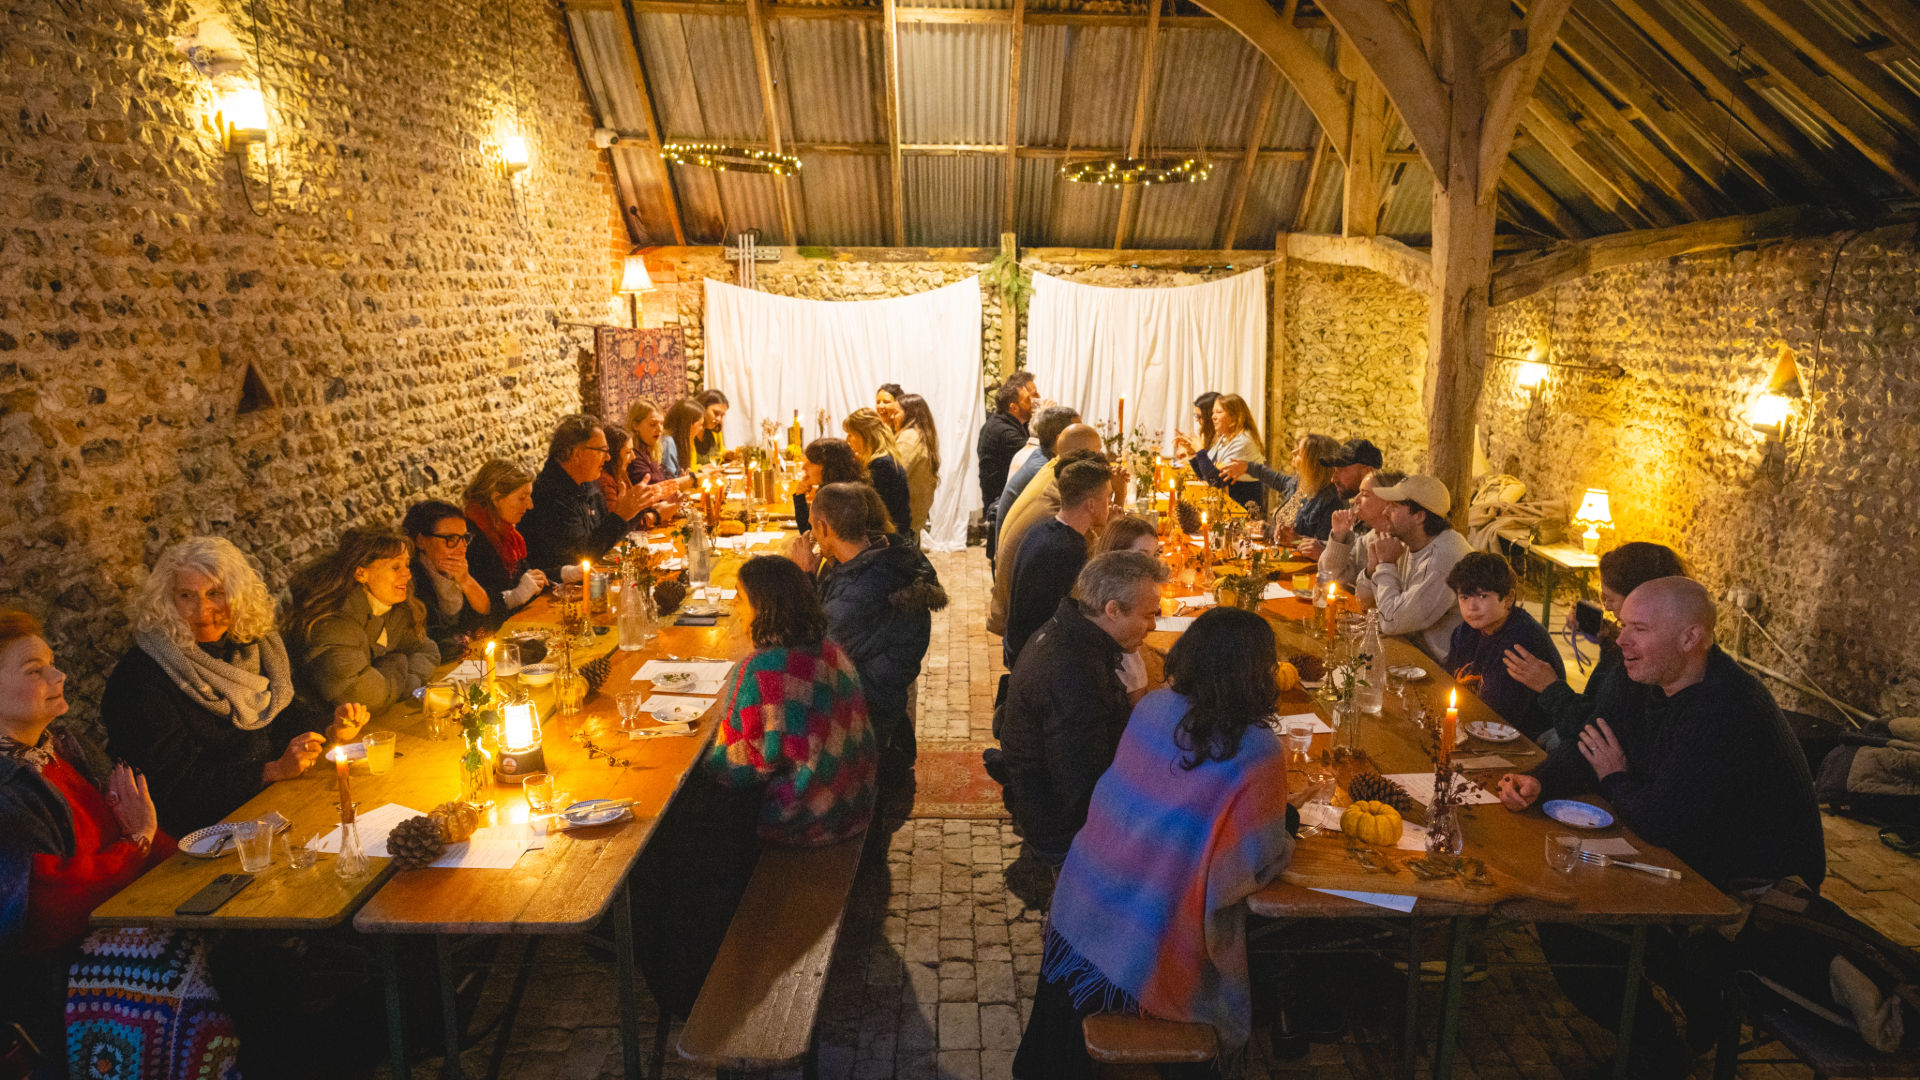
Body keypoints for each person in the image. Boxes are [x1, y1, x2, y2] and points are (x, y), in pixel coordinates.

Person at [1495, 577, 1824, 1078]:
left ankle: (1656, 1053)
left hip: (1753, 886)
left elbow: (1660, 823)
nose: (1621, 640)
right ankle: (1697, 1000)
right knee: (1565, 879)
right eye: (1623, 625)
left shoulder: (1723, 709)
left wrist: (1616, 777)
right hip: (1686, 848)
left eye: (1639, 629)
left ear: (1691, 638)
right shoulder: (1640, 677)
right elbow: (1593, 744)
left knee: (1574, 921)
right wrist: (1538, 782)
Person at [1014, 607, 1297, 1079]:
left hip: (1083, 904)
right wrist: (1288, 833)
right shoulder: (1258, 749)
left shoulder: (1153, 707)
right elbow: (1255, 861)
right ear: (1257, 674)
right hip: (1148, 939)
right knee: (1274, 939)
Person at [631, 555, 878, 1018]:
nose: (738, 610)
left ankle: (676, 973)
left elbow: (737, 771)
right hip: (849, 799)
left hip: (808, 818)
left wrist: (693, 748)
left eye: (742, 600)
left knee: (671, 828)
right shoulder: (829, 650)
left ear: (763, 607)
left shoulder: (762, 670)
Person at [0, 611, 184, 1074]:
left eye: (52, 663)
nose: (58, 675)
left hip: (117, 932)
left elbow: (132, 826)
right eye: (34, 670)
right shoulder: (6, 787)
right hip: (62, 975)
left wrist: (201, 863)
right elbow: (48, 906)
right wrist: (137, 844)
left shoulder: (62, 749)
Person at [101, 538, 369, 837]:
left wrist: (330, 730)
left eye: (215, 593)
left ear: (239, 595)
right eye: (186, 595)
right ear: (167, 600)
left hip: (271, 805)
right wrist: (272, 771)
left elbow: (280, 715)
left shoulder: (252, 646)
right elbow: (174, 787)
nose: (202, 611)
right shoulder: (142, 678)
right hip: (204, 834)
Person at [999, 552, 1167, 867]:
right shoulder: (1074, 675)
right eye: (1148, 615)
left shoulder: (1073, 631)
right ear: (1113, 610)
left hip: (1057, 806)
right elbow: (1083, 793)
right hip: (1062, 831)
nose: (1153, 625)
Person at [786, 483, 948, 775]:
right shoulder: (884, 553)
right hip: (881, 692)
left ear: (824, 527)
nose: (810, 534)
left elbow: (812, 654)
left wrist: (803, 578)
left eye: (812, 526)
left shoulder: (860, 591)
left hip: (864, 707)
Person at [1501, 542, 1686, 751]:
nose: (1605, 606)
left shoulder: (1648, 667)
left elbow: (1598, 732)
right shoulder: (1645, 647)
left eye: (1610, 598)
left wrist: (1550, 686)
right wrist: (1607, 636)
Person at [285, 525, 441, 712]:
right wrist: (398, 661)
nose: (407, 575)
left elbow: (428, 649)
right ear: (361, 573)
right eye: (395, 567)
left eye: (407, 565)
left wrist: (407, 678)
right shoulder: (330, 624)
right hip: (324, 731)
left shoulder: (394, 610)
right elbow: (364, 698)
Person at [989, 427, 1108, 636]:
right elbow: (1092, 598)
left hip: (1015, 628)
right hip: (1028, 642)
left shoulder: (1052, 476)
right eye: (1096, 453)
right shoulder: (1064, 545)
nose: (1100, 459)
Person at [1004, 457, 1115, 668]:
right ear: (1091, 504)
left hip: (1020, 646)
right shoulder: (1067, 551)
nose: (1110, 504)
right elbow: (1085, 617)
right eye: (1108, 497)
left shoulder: (1043, 530)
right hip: (1039, 660)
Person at [1441, 552, 1563, 736]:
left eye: (1482, 596)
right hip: (1476, 724)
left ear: (1508, 598)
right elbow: (1448, 680)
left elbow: (1499, 718)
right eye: (1464, 597)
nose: (1471, 607)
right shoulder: (1466, 631)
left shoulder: (1522, 641)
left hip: (1522, 740)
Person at [520, 413, 657, 575]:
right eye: (602, 450)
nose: (607, 458)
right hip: (558, 592)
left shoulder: (587, 482)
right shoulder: (551, 495)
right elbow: (582, 556)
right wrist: (621, 515)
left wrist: (633, 509)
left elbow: (603, 537)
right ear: (577, 453)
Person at [1357, 474, 1472, 660]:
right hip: (1409, 649)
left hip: (1438, 668)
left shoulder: (1444, 559)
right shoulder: (1404, 542)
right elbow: (1365, 603)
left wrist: (1386, 565)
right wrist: (1372, 570)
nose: (1385, 512)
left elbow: (1391, 622)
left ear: (1419, 516)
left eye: (1394, 506)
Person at [1227, 437, 1380, 549]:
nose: (1333, 478)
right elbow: (1336, 549)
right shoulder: (1300, 485)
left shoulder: (1335, 501)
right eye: (1334, 470)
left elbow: (1349, 556)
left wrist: (1295, 540)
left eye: (1340, 470)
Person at [990, 406, 1080, 567]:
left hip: (1015, 557)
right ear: (1060, 440)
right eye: (1079, 435)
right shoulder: (1046, 471)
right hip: (1015, 564)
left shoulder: (1042, 458)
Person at [403, 499, 493, 659]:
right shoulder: (410, 579)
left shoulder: (463, 563)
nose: (461, 548)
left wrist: (466, 580)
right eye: (450, 539)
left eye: (464, 537)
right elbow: (431, 638)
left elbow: (487, 614)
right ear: (421, 541)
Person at [463, 459, 551, 621]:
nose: (530, 505)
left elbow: (524, 576)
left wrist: (564, 574)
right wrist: (516, 596)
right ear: (496, 498)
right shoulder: (471, 540)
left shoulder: (508, 533)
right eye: (522, 497)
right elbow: (478, 610)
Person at [1092, 515, 1160, 698]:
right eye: (1142, 557)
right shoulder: (1113, 611)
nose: (1152, 565)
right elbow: (1135, 704)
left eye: (1155, 556)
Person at [1318, 469, 1403, 590]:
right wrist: (1339, 536)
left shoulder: (1405, 545)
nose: (1356, 500)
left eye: (1365, 494)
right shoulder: (1369, 539)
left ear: (1389, 501)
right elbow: (1330, 577)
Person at [844, 408, 913, 544]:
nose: (847, 440)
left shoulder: (881, 465)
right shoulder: (882, 459)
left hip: (889, 542)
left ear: (865, 436)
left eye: (851, 435)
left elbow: (874, 513)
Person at [977, 371, 1038, 516]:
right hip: (1002, 509)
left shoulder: (1015, 424)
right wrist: (1045, 417)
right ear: (1014, 408)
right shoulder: (1003, 432)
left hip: (1007, 504)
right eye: (1031, 397)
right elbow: (1037, 457)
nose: (1037, 399)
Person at [1202, 392, 1267, 511]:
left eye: (1219, 412)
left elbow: (1215, 479)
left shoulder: (1243, 440)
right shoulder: (1225, 437)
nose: (1213, 417)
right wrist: (1192, 454)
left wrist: (1198, 452)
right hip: (1228, 503)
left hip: (1243, 507)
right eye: (1213, 413)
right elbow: (1204, 471)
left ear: (1234, 416)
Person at [626, 400, 686, 526]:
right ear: (635, 426)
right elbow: (652, 489)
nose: (659, 429)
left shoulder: (648, 451)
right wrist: (691, 480)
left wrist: (670, 497)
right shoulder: (633, 456)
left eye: (661, 424)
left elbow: (660, 489)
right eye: (653, 424)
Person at [894, 393, 941, 538]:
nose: (892, 417)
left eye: (896, 412)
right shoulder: (920, 436)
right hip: (914, 517)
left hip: (904, 518)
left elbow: (895, 473)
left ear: (909, 414)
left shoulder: (909, 438)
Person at [662, 398, 707, 479]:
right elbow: (671, 479)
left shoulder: (688, 440)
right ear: (688, 425)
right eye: (700, 424)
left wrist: (704, 469)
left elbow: (688, 469)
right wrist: (703, 473)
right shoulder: (668, 442)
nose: (701, 429)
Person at [691, 389, 730, 467]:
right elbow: (686, 469)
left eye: (722, 416)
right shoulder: (690, 430)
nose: (719, 419)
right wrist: (703, 469)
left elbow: (720, 453)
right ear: (702, 407)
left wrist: (729, 455)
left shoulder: (715, 430)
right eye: (716, 413)